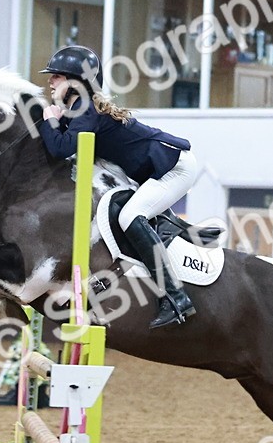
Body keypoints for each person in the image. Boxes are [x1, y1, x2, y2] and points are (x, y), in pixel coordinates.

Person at [37, 45, 198, 329]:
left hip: (174, 167)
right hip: (156, 169)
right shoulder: (79, 109)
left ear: (75, 81)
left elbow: (60, 149)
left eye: (57, 76)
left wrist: (50, 120)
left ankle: (176, 297)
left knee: (129, 216)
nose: (50, 81)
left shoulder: (84, 108)